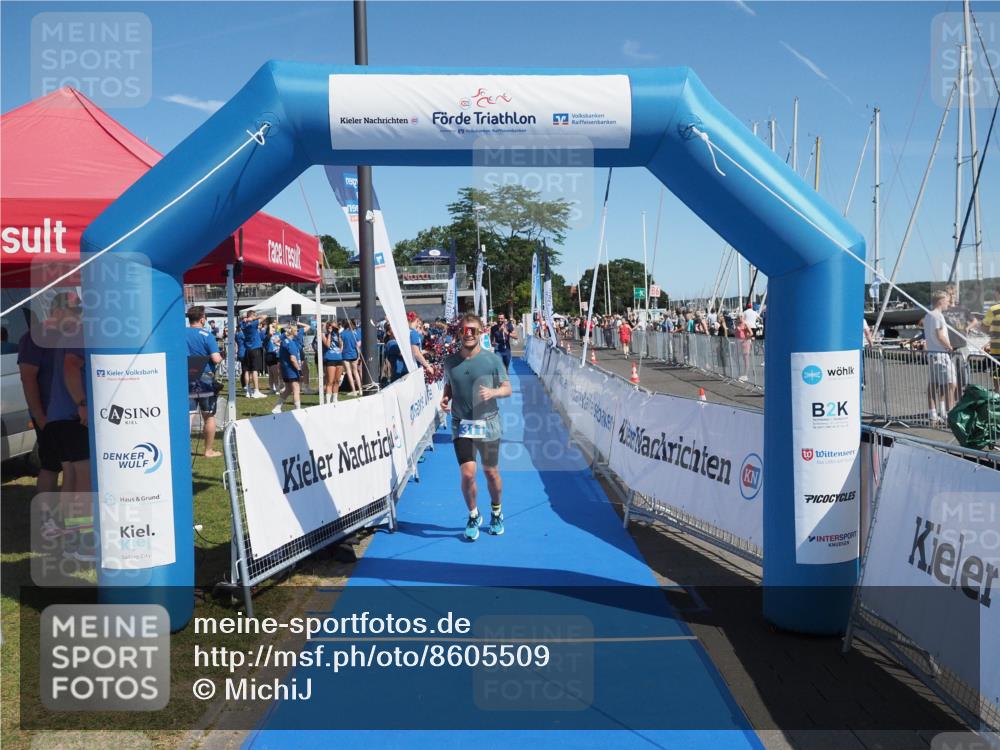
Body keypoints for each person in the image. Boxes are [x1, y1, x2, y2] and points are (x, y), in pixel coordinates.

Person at [440, 312, 512, 541]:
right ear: (459, 332)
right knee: (468, 474)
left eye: (473, 329)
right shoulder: (450, 362)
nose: (468, 333)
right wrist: (445, 397)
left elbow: (507, 388)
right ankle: (473, 515)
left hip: (488, 423)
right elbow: (450, 385)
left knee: (491, 472)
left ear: (480, 332)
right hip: (462, 424)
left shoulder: (492, 360)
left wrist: (494, 392)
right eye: (464, 329)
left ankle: (496, 512)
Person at [186, 306, 224, 457]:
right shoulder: (206, 335)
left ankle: (184, 450)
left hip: (185, 375)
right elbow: (216, 358)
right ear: (202, 319)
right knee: (208, 415)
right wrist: (222, 357)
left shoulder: (179, 333)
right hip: (204, 377)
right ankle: (208, 450)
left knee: (188, 415)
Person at [923, 291, 957, 425]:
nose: (948, 303)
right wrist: (949, 346)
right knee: (951, 384)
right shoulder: (938, 316)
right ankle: (950, 415)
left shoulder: (927, 315)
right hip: (940, 353)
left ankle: (934, 413)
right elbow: (939, 335)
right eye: (947, 301)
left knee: (934, 384)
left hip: (932, 353)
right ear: (940, 301)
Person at [272, 326, 304, 413]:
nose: (298, 331)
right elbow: (293, 359)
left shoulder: (284, 342)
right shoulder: (291, 343)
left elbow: (275, 341)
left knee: (288, 389)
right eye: (296, 330)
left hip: (285, 369)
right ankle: (298, 410)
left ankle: (277, 408)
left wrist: (284, 334)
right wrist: (299, 370)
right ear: (292, 332)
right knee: (296, 389)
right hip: (292, 370)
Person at [240, 311, 267, 399]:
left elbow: (241, 320)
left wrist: (247, 319)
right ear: (252, 316)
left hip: (247, 349)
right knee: (255, 370)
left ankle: (248, 390)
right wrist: (253, 318)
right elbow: (264, 316)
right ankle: (256, 391)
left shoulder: (243, 324)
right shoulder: (253, 323)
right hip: (255, 348)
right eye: (254, 315)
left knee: (247, 370)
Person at [322, 320, 346, 401]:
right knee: (330, 381)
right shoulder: (324, 334)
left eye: (335, 326)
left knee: (337, 381)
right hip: (330, 359)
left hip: (339, 358)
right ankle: (328, 400)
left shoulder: (337, 334)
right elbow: (328, 345)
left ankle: (335, 399)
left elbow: (341, 345)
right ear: (328, 326)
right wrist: (329, 333)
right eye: (332, 326)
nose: (333, 328)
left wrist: (338, 334)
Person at [407, 312, 436, 377]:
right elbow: (416, 353)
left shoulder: (407, 331)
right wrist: (428, 366)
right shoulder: (413, 333)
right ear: (417, 320)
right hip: (413, 367)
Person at [339, 318, 360, 394]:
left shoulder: (342, 334)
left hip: (345, 354)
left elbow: (341, 346)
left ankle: (354, 390)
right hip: (354, 354)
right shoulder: (354, 333)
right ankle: (360, 390)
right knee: (355, 372)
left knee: (349, 372)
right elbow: (358, 345)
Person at [264, 318, 282, 394]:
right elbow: (270, 333)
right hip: (270, 355)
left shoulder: (278, 333)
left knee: (276, 372)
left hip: (277, 354)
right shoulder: (267, 335)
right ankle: (274, 388)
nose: (274, 330)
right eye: (273, 324)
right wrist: (270, 325)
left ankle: (275, 387)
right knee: (273, 373)